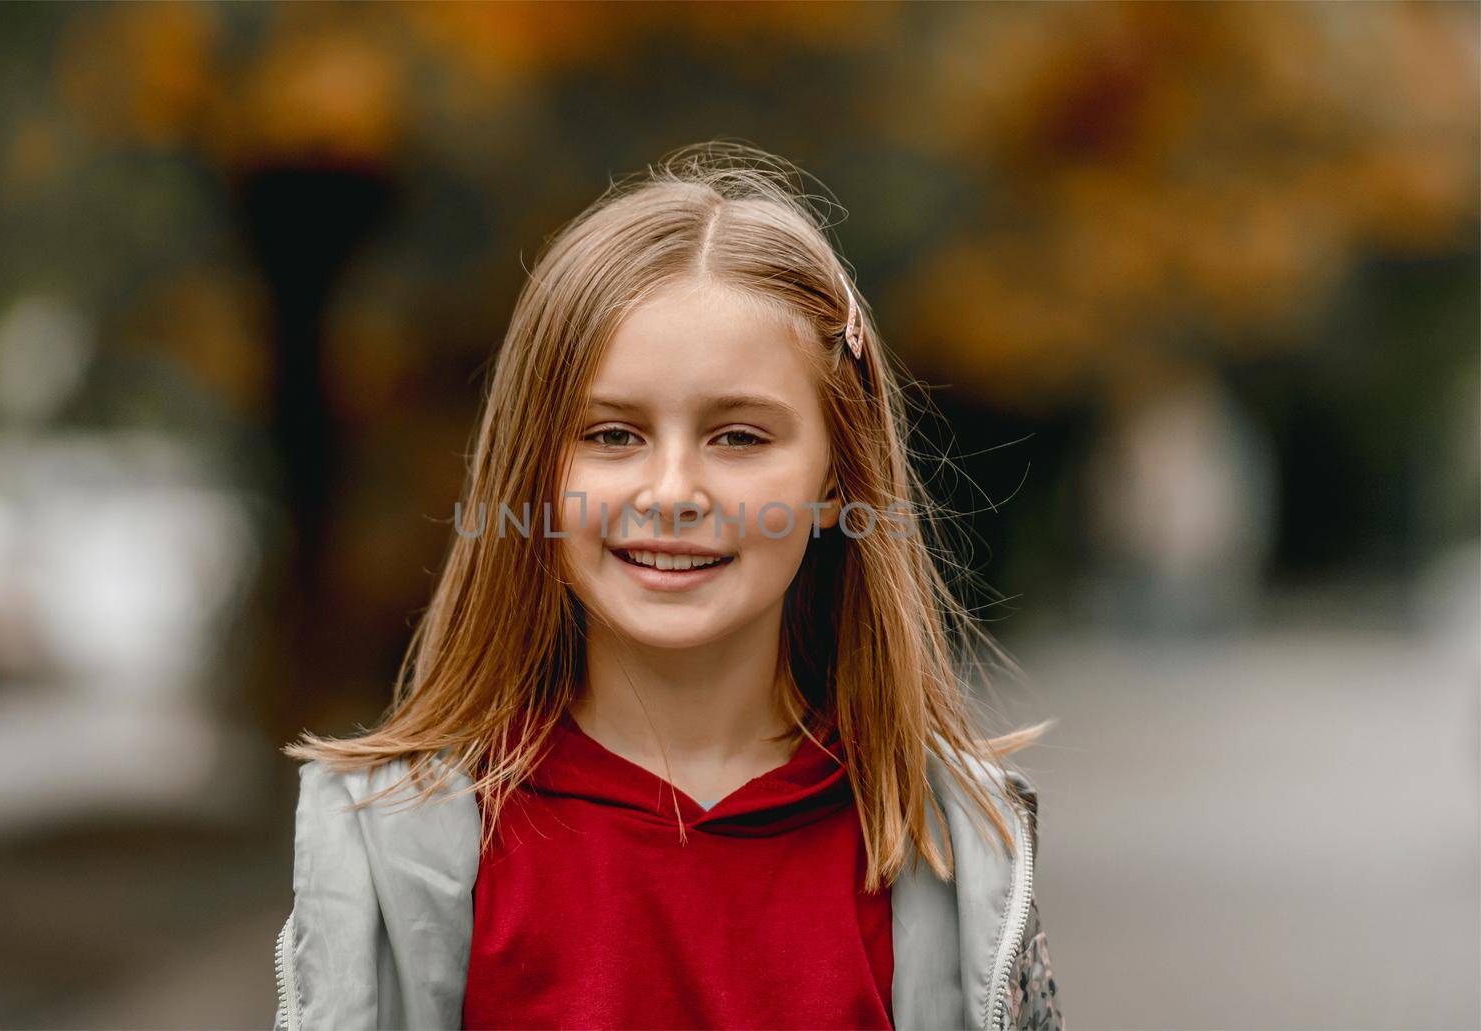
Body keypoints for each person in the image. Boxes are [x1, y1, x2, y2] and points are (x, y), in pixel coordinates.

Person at [271, 140, 1063, 1031]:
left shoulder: (954, 847)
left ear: (838, 478)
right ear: (535, 469)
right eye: (612, 434)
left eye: (740, 438)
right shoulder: (396, 841)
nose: (673, 492)